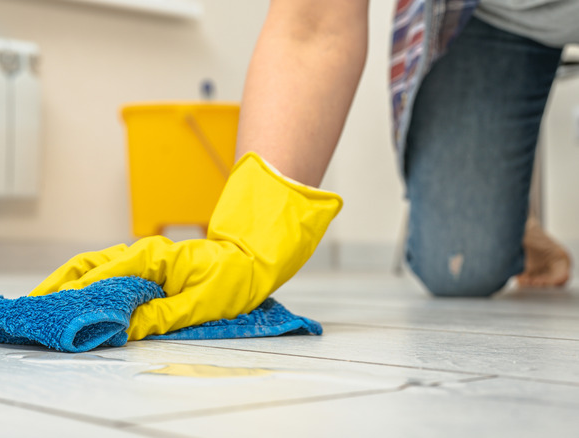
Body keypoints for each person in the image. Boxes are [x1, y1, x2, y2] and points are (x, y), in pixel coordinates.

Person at [30, 0, 575, 339]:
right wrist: (246, 246)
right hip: (496, 16)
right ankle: (511, 226)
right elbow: (313, 24)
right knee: (460, 268)